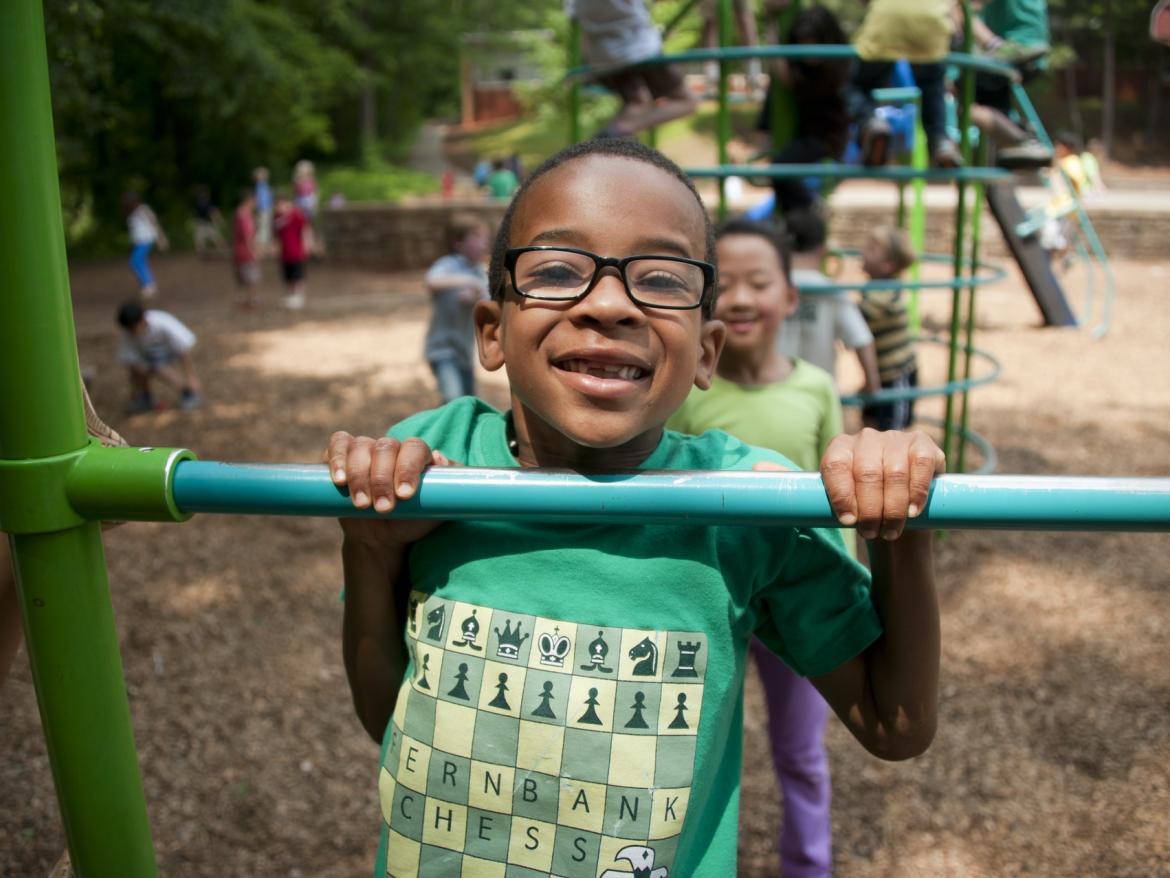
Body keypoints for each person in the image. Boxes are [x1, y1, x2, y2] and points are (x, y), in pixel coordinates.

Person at [324, 138, 944, 877]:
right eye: (556, 271)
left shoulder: (745, 506)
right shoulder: (430, 462)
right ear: (492, 331)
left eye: (660, 278)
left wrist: (900, 526)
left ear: (707, 352)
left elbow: (894, 724)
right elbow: (386, 718)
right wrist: (371, 547)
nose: (610, 304)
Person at [667, 217, 845, 877]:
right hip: (710, 597)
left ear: (791, 298)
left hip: (793, 599)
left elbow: (837, 500)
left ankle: (809, 867)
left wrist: (845, 582)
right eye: (725, 286)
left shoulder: (817, 388)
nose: (741, 299)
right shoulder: (688, 398)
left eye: (759, 282)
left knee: (799, 751)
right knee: (694, 745)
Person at [756, 5, 852, 215]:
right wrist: (771, 22)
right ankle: (805, 211)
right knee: (782, 172)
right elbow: (780, 65)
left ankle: (810, 208)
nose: (808, 50)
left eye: (812, 42)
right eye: (803, 43)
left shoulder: (835, 68)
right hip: (809, 135)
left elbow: (784, 75)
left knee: (781, 169)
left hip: (827, 138)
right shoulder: (808, 68)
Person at [778, 209, 881, 398]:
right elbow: (862, 340)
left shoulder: (772, 289)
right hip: (819, 395)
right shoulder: (832, 292)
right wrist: (872, 385)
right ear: (823, 249)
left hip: (775, 392)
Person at [849, 0, 963, 168]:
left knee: (854, 84)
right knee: (932, 85)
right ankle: (941, 142)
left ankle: (870, 123)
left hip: (887, 22)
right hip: (931, 24)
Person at [569, 0, 698, 136]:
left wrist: (588, 60)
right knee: (686, 101)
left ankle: (606, 139)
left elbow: (575, 21)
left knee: (637, 102)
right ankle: (617, 132)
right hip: (641, 49)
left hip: (603, 56)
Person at [858, 225, 919, 431]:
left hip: (897, 373)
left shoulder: (887, 291)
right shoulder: (873, 288)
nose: (863, 252)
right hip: (881, 372)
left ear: (887, 265)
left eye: (872, 249)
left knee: (893, 430)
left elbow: (861, 315)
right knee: (870, 421)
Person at [424, 213, 490, 402]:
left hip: (464, 351)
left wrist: (476, 296)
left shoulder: (480, 272)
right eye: (476, 238)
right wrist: (469, 281)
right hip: (441, 350)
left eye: (485, 238)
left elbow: (489, 302)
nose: (483, 244)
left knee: (468, 402)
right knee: (453, 399)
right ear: (458, 243)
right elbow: (432, 281)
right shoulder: (448, 265)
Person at [116, 301, 202, 412]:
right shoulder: (129, 333)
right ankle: (145, 397)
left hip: (170, 351)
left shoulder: (161, 324)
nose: (132, 333)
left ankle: (188, 393)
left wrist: (191, 377)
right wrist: (133, 392)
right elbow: (130, 361)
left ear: (142, 320)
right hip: (150, 355)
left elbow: (182, 350)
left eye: (133, 329)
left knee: (157, 366)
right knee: (139, 366)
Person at [124, 192, 168, 299]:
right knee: (138, 261)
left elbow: (154, 222)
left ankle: (149, 285)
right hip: (139, 241)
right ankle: (146, 285)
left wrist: (161, 238)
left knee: (136, 261)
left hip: (146, 239)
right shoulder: (133, 212)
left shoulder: (143, 209)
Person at [273, 192, 308, 309]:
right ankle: (291, 295)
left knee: (297, 275)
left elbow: (305, 229)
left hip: (296, 251)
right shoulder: (277, 218)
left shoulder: (295, 215)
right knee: (287, 276)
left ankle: (299, 296)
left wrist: (307, 244)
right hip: (284, 253)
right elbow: (276, 235)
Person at [232, 188, 261, 308]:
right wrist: (254, 252)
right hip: (245, 252)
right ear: (249, 200)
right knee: (251, 278)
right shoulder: (245, 216)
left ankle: (245, 299)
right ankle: (251, 300)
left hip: (239, 251)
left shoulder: (239, 213)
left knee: (243, 277)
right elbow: (247, 236)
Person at [191, 185, 227, 257]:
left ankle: (224, 251)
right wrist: (219, 220)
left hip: (204, 223)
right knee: (201, 240)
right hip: (202, 223)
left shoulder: (201, 201)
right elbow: (213, 211)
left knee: (203, 240)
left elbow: (212, 211)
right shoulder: (204, 202)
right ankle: (224, 251)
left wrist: (218, 220)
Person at [253, 167, 274, 254]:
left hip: (266, 209)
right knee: (263, 228)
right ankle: (261, 248)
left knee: (265, 228)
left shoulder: (263, 185)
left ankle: (263, 247)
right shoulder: (260, 186)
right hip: (263, 209)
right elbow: (260, 199)